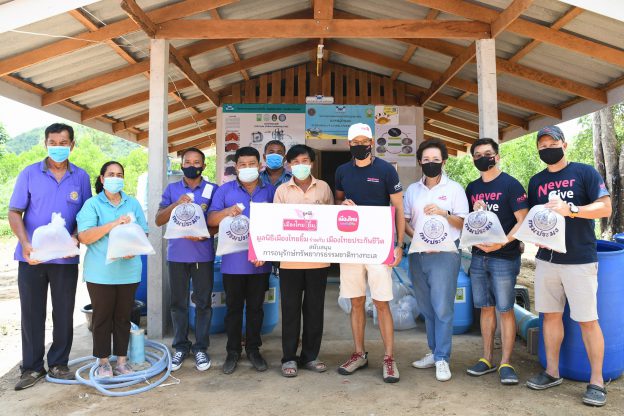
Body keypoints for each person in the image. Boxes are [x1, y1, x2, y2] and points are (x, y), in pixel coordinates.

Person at [525, 126, 611, 407]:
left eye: (552, 143)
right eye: (542, 145)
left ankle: (597, 381)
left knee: (587, 320)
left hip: (579, 260)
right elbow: (535, 218)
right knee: (550, 316)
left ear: (564, 144)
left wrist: (572, 209)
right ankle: (552, 372)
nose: (547, 148)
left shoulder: (584, 172)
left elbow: (605, 208)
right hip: (546, 260)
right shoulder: (536, 181)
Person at [8, 123, 91, 390]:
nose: (57, 147)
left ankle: (58, 363)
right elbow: (14, 212)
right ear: (45, 144)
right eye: (52, 143)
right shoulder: (30, 173)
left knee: (63, 312)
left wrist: (76, 236)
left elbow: (86, 215)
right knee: (32, 313)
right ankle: (32, 367)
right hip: (32, 258)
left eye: (63, 143)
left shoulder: (81, 177)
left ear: (72, 145)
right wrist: (25, 243)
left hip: (65, 259)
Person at [334, 123, 404, 383]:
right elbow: (337, 201)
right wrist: (342, 204)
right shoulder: (342, 171)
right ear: (349, 144)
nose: (360, 145)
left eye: (364, 141)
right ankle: (359, 354)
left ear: (372, 142)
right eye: (355, 142)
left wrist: (399, 245)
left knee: (382, 303)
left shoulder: (386, 170)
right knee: (356, 302)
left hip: (379, 245)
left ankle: (389, 358)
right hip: (351, 246)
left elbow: (398, 208)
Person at [464, 138, 529, 385]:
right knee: (485, 307)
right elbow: (471, 221)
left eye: (488, 153)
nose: (483, 158)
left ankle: (506, 362)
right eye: (478, 155)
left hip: (504, 257)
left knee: (505, 309)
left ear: (497, 156)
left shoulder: (510, 184)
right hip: (479, 256)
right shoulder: (472, 188)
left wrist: (503, 243)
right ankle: (487, 358)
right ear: (473, 159)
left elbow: (523, 219)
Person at [76, 161, 148, 377]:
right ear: (102, 179)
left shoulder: (132, 203)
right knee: (102, 317)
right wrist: (113, 224)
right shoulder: (92, 204)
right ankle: (103, 362)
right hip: (100, 273)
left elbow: (143, 232)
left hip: (128, 271)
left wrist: (133, 248)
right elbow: (84, 236)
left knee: (123, 317)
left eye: (119, 174)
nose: (115, 178)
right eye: (111, 174)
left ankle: (122, 361)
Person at [207, 146, 276, 374]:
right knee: (233, 309)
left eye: (252, 164)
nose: (247, 168)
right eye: (242, 165)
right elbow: (211, 220)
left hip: (260, 263)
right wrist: (227, 212)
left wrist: (267, 252)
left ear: (260, 165)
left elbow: (279, 224)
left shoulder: (271, 191)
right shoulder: (225, 191)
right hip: (232, 263)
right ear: (236, 167)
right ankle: (233, 351)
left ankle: (254, 350)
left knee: (256, 309)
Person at [405, 139, 469, 382]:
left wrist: (444, 213)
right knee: (427, 308)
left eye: (435, 159)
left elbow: (462, 223)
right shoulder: (413, 190)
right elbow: (405, 221)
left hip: (445, 255)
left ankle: (443, 358)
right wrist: (420, 239)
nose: (430, 163)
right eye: (426, 159)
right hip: (418, 255)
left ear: (443, 161)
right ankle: (434, 352)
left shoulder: (454, 189)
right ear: (419, 162)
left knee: (442, 308)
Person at [273, 144, 333, 377]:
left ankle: (310, 356)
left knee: (314, 309)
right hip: (290, 261)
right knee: (290, 309)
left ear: (312, 163)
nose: (301, 165)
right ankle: (289, 357)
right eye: (296, 162)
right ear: (289, 165)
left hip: (318, 260)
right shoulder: (282, 190)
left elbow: (331, 220)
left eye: (305, 161)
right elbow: (276, 223)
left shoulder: (323, 188)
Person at [155, 148, 217, 372]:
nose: (192, 165)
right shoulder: (172, 189)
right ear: (181, 165)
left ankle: (201, 348)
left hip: (203, 255)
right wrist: (175, 205)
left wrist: (205, 234)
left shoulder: (212, 189)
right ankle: (180, 346)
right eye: (187, 162)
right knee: (178, 303)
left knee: (203, 304)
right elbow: (158, 220)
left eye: (196, 162)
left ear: (204, 166)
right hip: (177, 255)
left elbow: (217, 222)